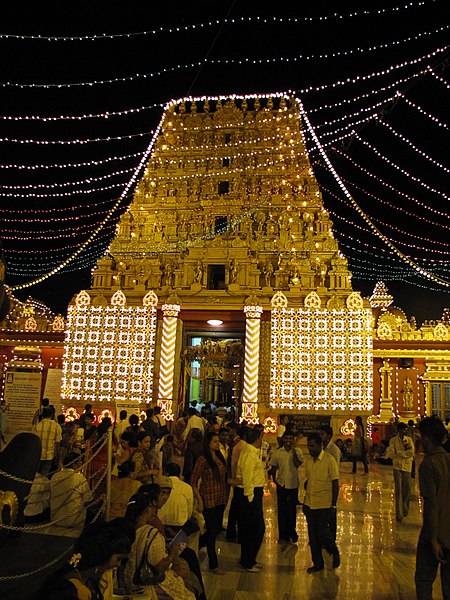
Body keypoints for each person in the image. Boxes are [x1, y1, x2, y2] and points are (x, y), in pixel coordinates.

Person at [124, 489, 196, 599]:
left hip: (127, 579)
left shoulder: (124, 529)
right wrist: (172, 554)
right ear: (147, 510)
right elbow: (159, 567)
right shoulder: (151, 534)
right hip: (145, 583)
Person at [44, 519, 134, 599]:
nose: (118, 565)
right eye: (118, 559)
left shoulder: (86, 578)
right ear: (104, 554)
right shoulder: (75, 589)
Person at [415, 417, 450, 600]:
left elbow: (432, 505)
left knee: (423, 580)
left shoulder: (428, 465)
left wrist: (434, 539)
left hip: (434, 534)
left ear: (426, 439)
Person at [191, 431, 228, 574]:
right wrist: (199, 501)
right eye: (215, 441)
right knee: (212, 532)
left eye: (218, 441)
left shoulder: (218, 457)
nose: (218, 444)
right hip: (208, 499)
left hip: (219, 498)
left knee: (216, 529)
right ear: (208, 443)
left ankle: (196, 546)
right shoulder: (203, 459)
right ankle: (214, 564)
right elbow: (193, 480)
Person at [303, 432, 340, 574]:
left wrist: (333, 504)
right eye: (308, 446)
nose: (310, 449)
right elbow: (308, 479)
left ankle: (333, 550)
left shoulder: (329, 460)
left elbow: (335, 483)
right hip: (310, 503)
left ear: (320, 446)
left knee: (323, 533)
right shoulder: (309, 461)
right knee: (312, 535)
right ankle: (317, 563)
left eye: (312, 446)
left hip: (324, 503)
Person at [235, 427, 266, 572]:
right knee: (255, 529)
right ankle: (247, 561)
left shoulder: (252, 452)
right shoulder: (249, 454)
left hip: (253, 493)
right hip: (250, 494)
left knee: (254, 529)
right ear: (257, 439)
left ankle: (250, 559)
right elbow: (247, 478)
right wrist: (250, 497)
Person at [269, 432, 303, 544]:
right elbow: (273, 467)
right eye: (286, 438)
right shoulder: (278, 453)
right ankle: (283, 534)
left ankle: (292, 532)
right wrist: (274, 480)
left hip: (293, 484)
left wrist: (293, 452)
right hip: (282, 484)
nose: (288, 440)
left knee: (292, 510)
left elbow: (297, 464)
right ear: (283, 439)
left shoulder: (298, 452)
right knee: (282, 510)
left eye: (290, 438)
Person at [50, 451, 93, 529]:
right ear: (74, 464)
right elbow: (88, 500)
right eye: (80, 462)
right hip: (75, 521)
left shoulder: (54, 476)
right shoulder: (79, 479)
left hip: (55, 518)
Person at [389, 421, 414, 522]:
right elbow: (391, 454)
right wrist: (403, 454)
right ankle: (399, 513)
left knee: (406, 489)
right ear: (399, 430)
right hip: (397, 466)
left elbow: (411, 452)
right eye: (403, 429)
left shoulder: (409, 440)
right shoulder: (393, 441)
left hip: (407, 467)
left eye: (405, 429)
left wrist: (399, 453)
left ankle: (405, 508)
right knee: (398, 489)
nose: (404, 431)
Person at [226, 423, 247, 541]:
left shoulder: (240, 445)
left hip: (238, 481)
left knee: (236, 508)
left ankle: (233, 531)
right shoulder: (236, 444)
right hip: (236, 480)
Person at [35, 406, 62, 476]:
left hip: (37, 454)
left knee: (35, 475)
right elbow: (57, 443)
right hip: (49, 455)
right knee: (44, 475)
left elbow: (33, 442)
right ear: (52, 415)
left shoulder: (36, 425)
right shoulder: (56, 426)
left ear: (43, 415)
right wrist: (58, 458)